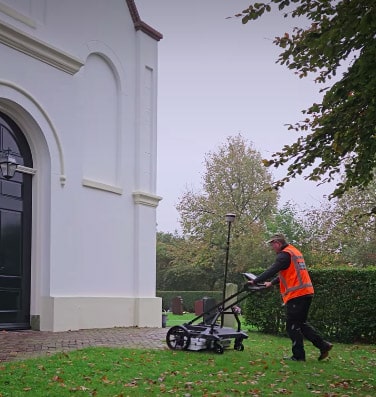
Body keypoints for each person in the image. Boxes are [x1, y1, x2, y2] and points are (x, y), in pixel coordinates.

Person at [249, 233, 333, 361]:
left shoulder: (284, 255)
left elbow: (272, 269)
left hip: (297, 294)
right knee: (301, 324)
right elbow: (286, 273)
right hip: (306, 291)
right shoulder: (294, 251)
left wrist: (255, 281)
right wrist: (271, 283)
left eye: (273, 245)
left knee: (292, 326)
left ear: (278, 243)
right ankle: (323, 345)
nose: (272, 248)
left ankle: (299, 356)